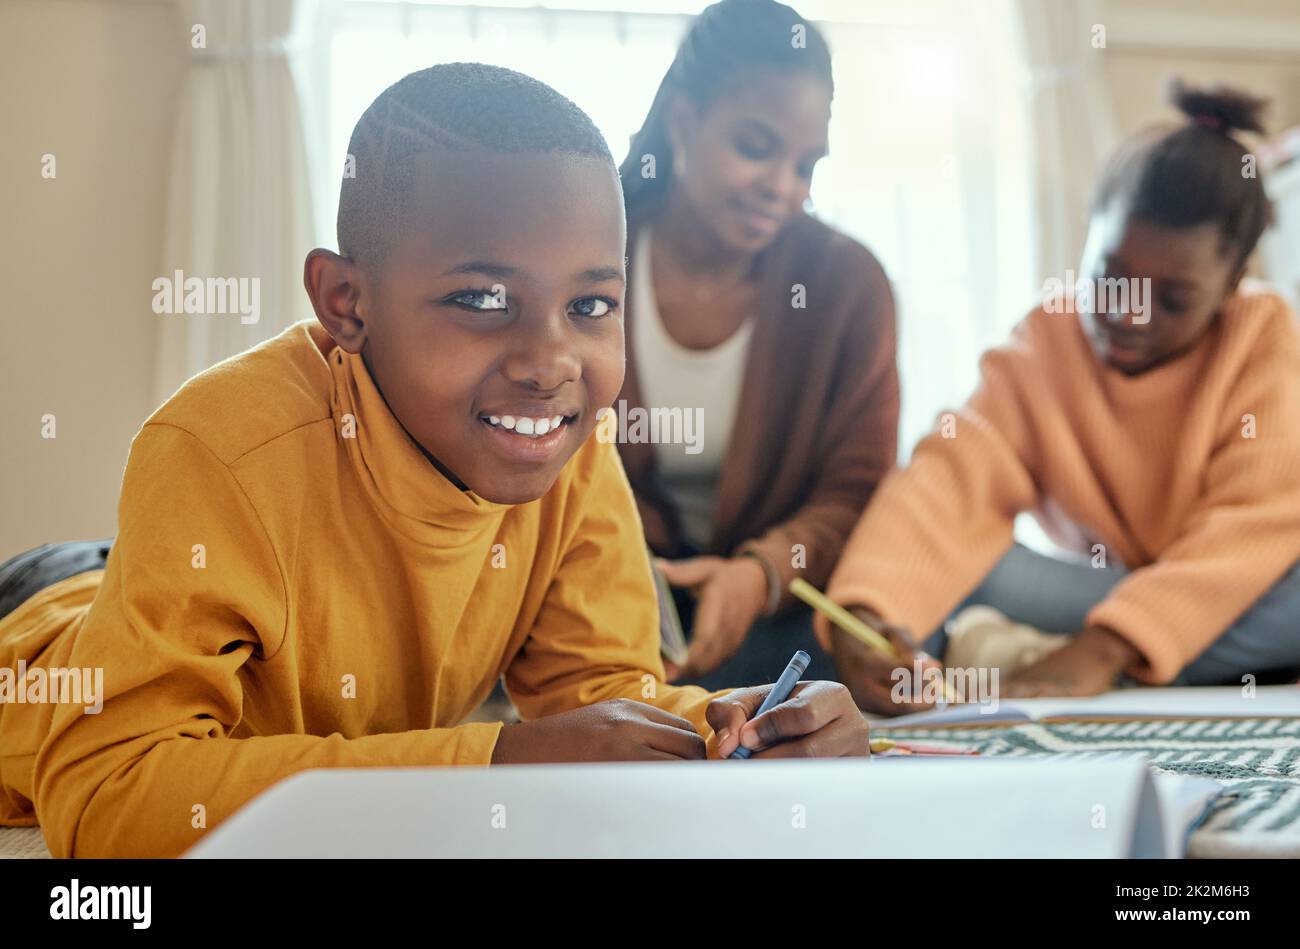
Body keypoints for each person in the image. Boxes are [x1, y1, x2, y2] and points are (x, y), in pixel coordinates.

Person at [0, 64, 869, 857]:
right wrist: (495, 760)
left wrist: (735, 727)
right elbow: (109, 794)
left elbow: (593, 694)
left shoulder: (566, 444)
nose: (550, 361)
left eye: (591, 303)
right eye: (482, 299)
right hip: (47, 620)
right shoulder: (219, 448)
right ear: (345, 301)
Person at [818, 82, 1300, 713]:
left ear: (1233, 283)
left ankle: (1105, 658)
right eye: (1110, 278)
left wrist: (1101, 648)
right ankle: (1142, 658)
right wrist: (868, 612)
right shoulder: (1045, 339)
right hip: (1103, 589)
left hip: (1231, 588)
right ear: (1088, 236)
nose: (1128, 315)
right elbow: (950, 477)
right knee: (961, 568)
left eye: (1173, 299)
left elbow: (1250, 530)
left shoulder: (1264, 338)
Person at [617, 0, 899, 689]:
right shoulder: (590, 257)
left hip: (776, 613)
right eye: (755, 147)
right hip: (607, 597)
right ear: (684, 121)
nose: (782, 187)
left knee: (874, 645)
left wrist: (761, 572)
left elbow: (854, 489)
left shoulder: (846, 285)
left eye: (806, 165)